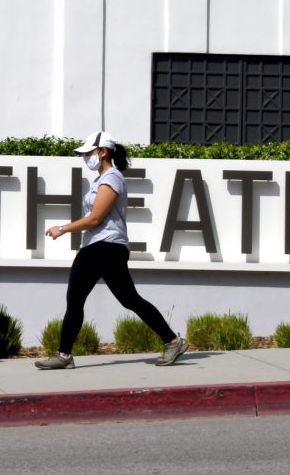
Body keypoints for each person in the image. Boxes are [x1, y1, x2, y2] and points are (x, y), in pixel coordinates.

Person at [36, 131, 188, 370]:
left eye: (89, 152)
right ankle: (64, 355)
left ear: (103, 152)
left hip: (108, 247)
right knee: (74, 300)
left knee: (130, 299)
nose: (86, 157)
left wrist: (63, 229)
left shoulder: (112, 178)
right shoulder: (99, 180)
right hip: (92, 247)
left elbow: (95, 218)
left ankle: (173, 342)